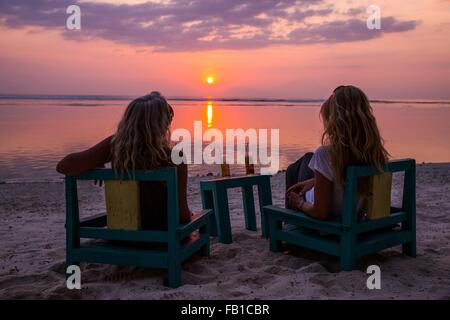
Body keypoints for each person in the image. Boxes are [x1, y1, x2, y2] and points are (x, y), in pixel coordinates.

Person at [56, 92, 192, 229]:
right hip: (161, 241)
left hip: (121, 236)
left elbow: (64, 166)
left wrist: (95, 162)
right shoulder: (175, 157)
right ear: (162, 124)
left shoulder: (114, 146)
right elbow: (181, 215)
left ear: (129, 121)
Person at [286, 85, 389, 220]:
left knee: (295, 168)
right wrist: (315, 181)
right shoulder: (375, 155)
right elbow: (344, 180)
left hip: (328, 225)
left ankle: (290, 223)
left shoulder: (325, 154)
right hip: (354, 218)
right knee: (306, 159)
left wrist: (299, 203)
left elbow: (321, 213)